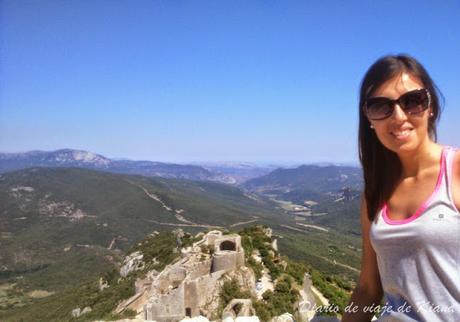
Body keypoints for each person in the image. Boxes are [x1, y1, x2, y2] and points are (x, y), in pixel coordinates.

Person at [341, 54, 460, 322]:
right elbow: (368, 289)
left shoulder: (455, 171)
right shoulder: (375, 193)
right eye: (380, 106)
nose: (398, 116)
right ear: (369, 118)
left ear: (430, 105)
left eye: (412, 101)